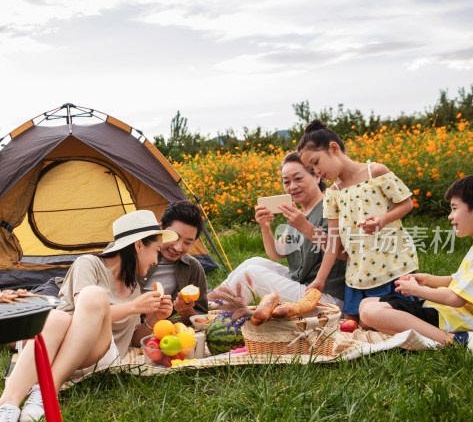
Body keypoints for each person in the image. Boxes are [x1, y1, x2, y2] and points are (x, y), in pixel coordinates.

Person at [0, 210, 176, 422]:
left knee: (88, 299)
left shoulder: (134, 289)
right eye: (156, 251)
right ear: (139, 245)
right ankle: (6, 408)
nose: (156, 261)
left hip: (99, 353)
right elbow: (83, 310)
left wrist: (154, 317)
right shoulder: (89, 264)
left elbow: (131, 339)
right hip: (58, 342)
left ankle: (47, 390)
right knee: (58, 316)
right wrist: (132, 307)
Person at [298, 119, 419, 320]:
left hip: (391, 265)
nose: (317, 172)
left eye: (316, 162)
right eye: (311, 168)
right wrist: (320, 280)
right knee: (356, 324)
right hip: (358, 274)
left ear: (333, 148)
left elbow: (406, 204)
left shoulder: (376, 172)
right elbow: (333, 240)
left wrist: (383, 218)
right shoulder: (333, 194)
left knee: (392, 318)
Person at [359, 174, 473, 347]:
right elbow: (458, 281)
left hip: (463, 319)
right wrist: (427, 280)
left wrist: (418, 291)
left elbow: (456, 298)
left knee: (371, 313)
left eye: (455, 208)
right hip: (454, 313)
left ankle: (456, 342)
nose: (450, 216)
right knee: (366, 304)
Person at [214, 152, 346, 309]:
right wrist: (265, 226)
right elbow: (276, 253)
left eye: (298, 179)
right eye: (286, 182)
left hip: (326, 297)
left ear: (317, 177)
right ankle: (212, 301)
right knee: (253, 262)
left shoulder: (330, 207)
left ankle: (212, 309)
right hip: (302, 284)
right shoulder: (299, 213)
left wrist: (304, 226)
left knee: (253, 274)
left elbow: (344, 253)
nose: (292, 186)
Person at [133, 200, 209, 338]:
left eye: (187, 242)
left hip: (152, 333)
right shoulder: (133, 252)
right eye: (174, 237)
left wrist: (186, 310)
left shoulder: (192, 268)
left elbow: (200, 319)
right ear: (160, 226)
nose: (178, 248)